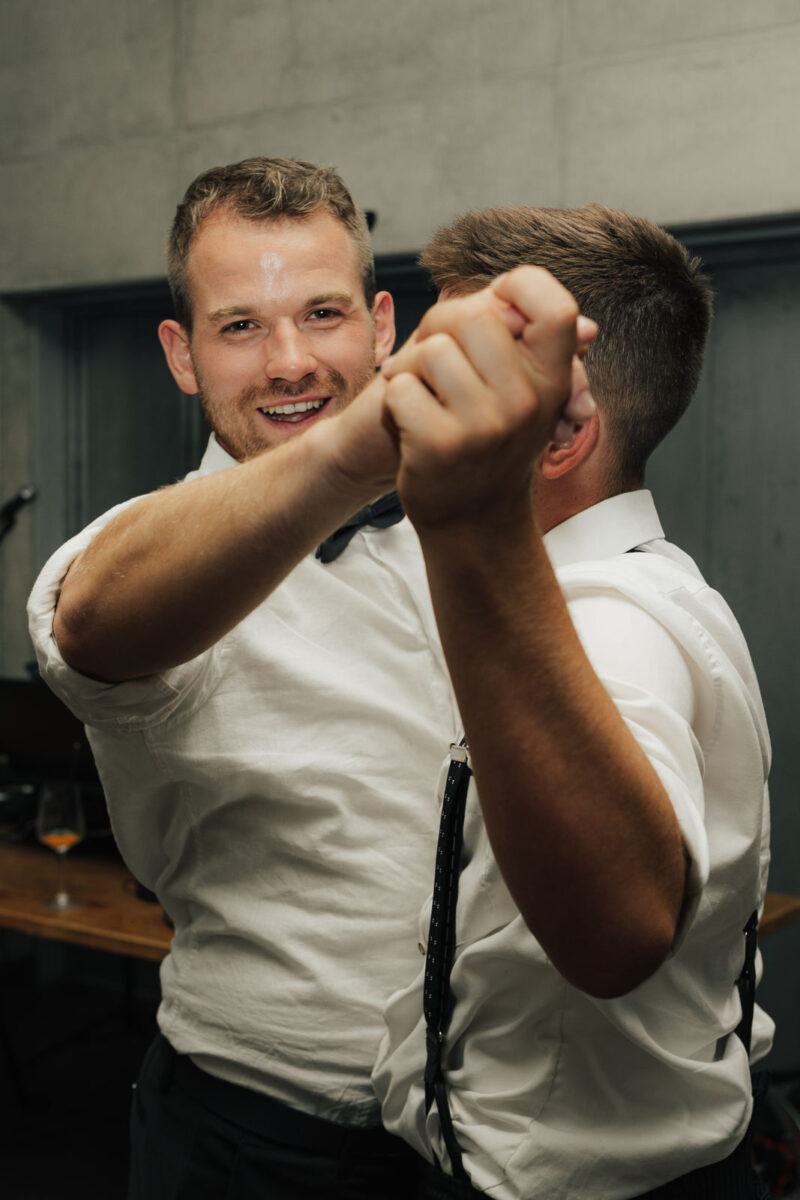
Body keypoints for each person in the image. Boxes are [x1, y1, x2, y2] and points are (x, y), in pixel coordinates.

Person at [26, 160, 592, 1198]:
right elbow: (90, 615)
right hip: (263, 1145)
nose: (288, 361)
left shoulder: (482, 520)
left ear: (381, 325)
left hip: (509, 1138)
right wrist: (352, 450)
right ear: (181, 356)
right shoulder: (154, 553)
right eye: (239, 326)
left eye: (321, 313)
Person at [372, 206, 773, 1200]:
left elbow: (616, 931)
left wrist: (469, 524)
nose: (402, 409)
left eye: (446, 378)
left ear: (561, 429)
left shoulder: (607, 626)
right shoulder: (641, 584)